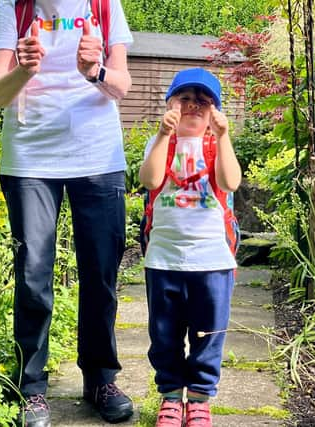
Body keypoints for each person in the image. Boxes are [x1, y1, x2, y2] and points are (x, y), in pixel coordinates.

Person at [0, 1, 134, 426]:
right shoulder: (15, 8)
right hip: (30, 157)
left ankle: (101, 379)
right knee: (33, 272)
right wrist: (23, 70)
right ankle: (31, 388)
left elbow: (122, 85)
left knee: (101, 272)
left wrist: (96, 72)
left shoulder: (104, 5)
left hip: (97, 155)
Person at [138, 68, 242, 427]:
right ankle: (170, 396)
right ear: (170, 105)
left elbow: (230, 182)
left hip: (212, 259)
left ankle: (198, 398)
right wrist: (162, 135)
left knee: (209, 333)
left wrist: (224, 135)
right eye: (185, 99)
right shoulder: (161, 145)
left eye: (203, 101)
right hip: (164, 258)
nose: (193, 107)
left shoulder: (216, 145)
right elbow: (150, 179)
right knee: (164, 334)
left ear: (214, 112)